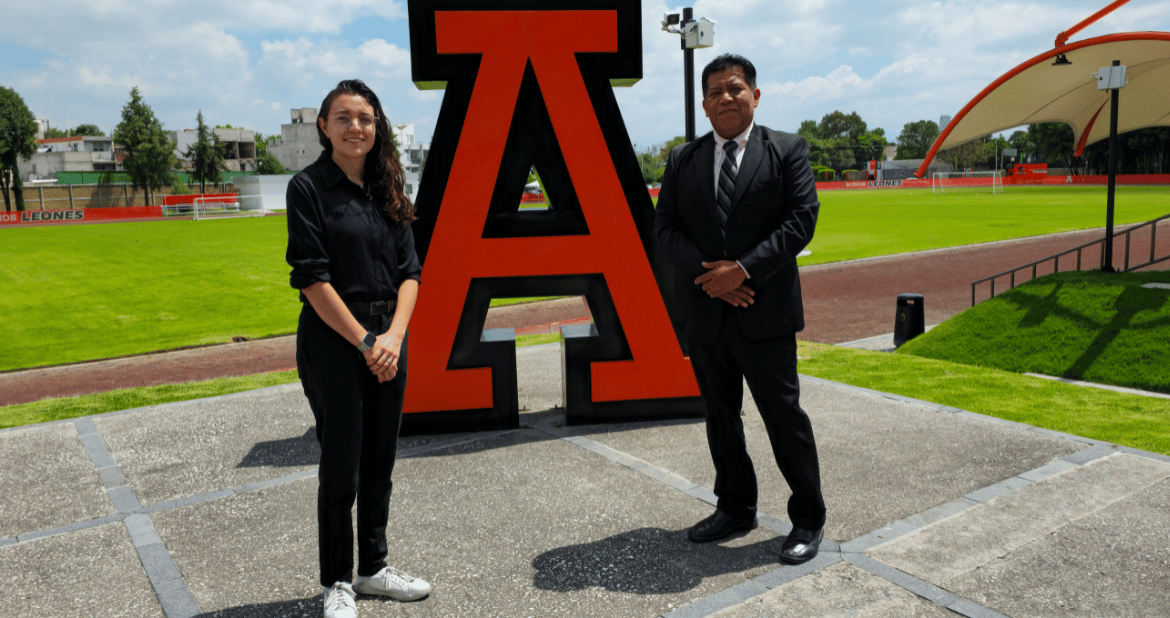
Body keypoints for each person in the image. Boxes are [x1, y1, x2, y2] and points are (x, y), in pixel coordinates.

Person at [654, 54, 826, 565]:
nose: (724, 97)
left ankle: (808, 518)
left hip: (765, 315)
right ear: (704, 106)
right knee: (720, 418)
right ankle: (734, 506)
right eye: (714, 92)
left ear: (754, 94)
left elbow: (801, 220)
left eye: (734, 88)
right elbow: (665, 229)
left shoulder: (787, 150)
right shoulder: (682, 159)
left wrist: (743, 271)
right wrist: (714, 282)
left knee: (783, 418)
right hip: (707, 314)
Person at [286, 79, 431, 618]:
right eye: (343, 117)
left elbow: (410, 273)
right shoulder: (307, 189)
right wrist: (367, 341)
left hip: (388, 342)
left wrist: (392, 337)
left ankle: (373, 570)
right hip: (334, 343)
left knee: (380, 461)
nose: (355, 127)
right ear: (323, 126)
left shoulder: (389, 188)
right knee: (341, 466)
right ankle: (337, 582)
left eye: (366, 118)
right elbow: (312, 280)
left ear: (378, 127)